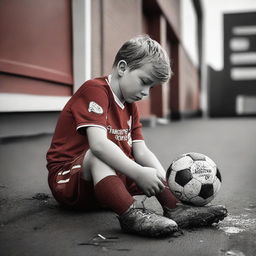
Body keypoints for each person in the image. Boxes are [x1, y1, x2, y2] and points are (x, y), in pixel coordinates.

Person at [46, 35, 227, 237]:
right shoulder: (95, 90)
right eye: (144, 82)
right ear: (123, 68)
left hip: (104, 184)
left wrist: (162, 185)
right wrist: (138, 174)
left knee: (143, 163)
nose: (146, 93)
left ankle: (175, 209)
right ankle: (130, 214)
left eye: (152, 87)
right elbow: (98, 146)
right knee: (100, 155)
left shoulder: (131, 106)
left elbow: (141, 151)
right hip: (70, 181)